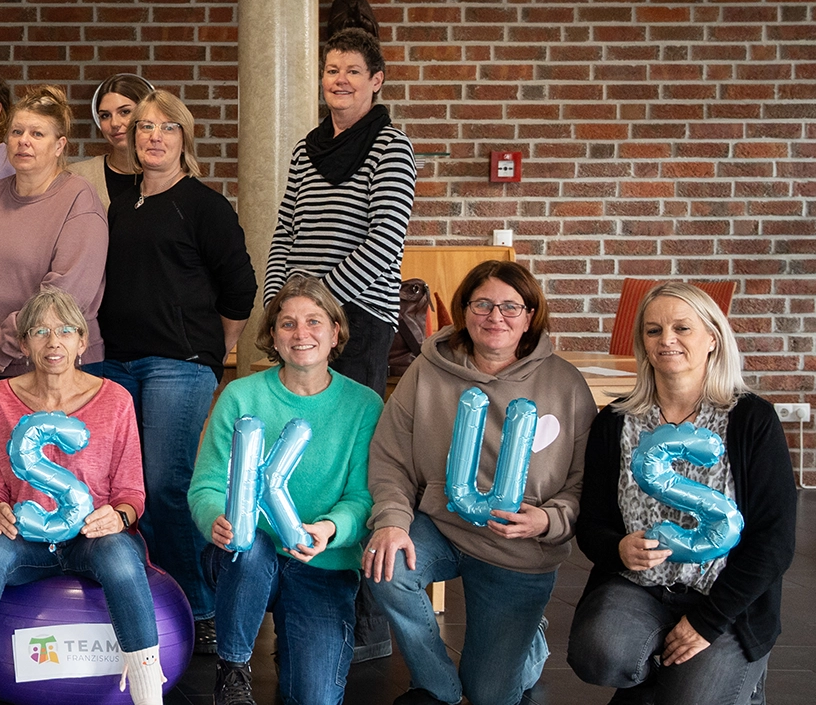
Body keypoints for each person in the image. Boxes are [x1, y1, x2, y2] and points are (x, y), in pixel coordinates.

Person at [363, 260, 593, 705]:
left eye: (511, 306)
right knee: (385, 564)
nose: (495, 316)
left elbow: (587, 482)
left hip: (518, 549)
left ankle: (530, 640)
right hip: (441, 526)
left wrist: (547, 521)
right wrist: (391, 521)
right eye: (482, 303)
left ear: (530, 316)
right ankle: (437, 686)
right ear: (464, 310)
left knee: (491, 694)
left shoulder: (566, 385)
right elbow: (390, 457)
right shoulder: (427, 370)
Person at [83, 88, 256, 650]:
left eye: (167, 127)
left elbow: (240, 286)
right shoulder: (118, 203)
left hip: (177, 366)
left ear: (184, 137)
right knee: (123, 488)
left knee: (165, 483)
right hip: (114, 364)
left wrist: (215, 348)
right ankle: (149, 598)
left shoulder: (203, 204)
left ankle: (198, 607)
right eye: (144, 128)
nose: (153, 136)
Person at [570, 283, 793, 703]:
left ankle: (735, 683)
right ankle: (666, 676)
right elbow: (591, 523)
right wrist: (617, 548)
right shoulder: (616, 421)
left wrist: (707, 622)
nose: (666, 340)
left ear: (712, 338)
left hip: (727, 597)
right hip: (640, 587)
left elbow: (775, 541)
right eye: (653, 331)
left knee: (693, 698)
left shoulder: (751, 419)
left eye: (682, 328)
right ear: (643, 344)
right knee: (598, 655)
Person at [0, 287, 162, 705]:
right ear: (23, 344)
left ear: (83, 341)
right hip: (25, 538)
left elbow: (132, 490)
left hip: (92, 538)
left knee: (119, 557)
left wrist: (119, 516)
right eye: (40, 331)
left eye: (65, 330)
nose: (53, 341)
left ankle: (149, 694)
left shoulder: (115, 400)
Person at [188, 276, 379, 705]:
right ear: (273, 335)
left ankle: (294, 636)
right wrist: (214, 517)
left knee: (314, 698)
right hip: (244, 558)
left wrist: (331, 529)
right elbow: (206, 484)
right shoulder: (240, 395)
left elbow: (364, 497)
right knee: (250, 546)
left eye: (314, 321)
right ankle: (232, 669)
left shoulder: (365, 405)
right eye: (287, 323)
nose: (301, 333)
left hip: (322, 562)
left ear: (335, 333)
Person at [0, 85, 108, 558]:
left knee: (39, 484)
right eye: (16, 131)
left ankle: (41, 582)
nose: (23, 142)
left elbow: (62, 296)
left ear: (60, 146)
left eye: (37, 133)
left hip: (47, 372)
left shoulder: (79, 200)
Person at [264, 27, 416, 396]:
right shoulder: (305, 150)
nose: (340, 80)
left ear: (376, 80)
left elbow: (384, 242)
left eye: (352, 71)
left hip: (360, 318)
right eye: (332, 70)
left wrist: (320, 300)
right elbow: (286, 230)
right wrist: (275, 302)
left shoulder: (391, 147)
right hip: (301, 318)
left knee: (350, 435)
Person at [63, 73, 154, 213]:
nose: (115, 123)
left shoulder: (167, 176)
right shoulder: (78, 176)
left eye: (125, 112)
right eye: (105, 116)